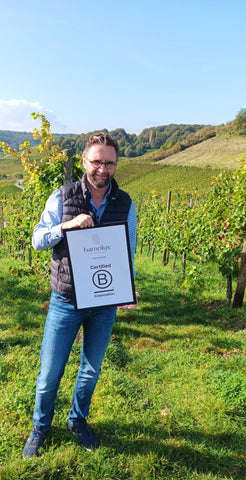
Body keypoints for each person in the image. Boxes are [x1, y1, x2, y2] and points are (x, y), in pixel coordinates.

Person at [23, 133, 138, 459]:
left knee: (91, 370)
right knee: (49, 373)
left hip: (103, 304)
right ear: (84, 161)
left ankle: (77, 420)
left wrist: (127, 287)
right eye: (97, 161)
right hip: (66, 300)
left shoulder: (126, 203)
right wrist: (67, 226)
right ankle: (40, 427)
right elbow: (37, 240)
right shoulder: (62, 197)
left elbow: (126, 251)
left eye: (109, 162)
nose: (103, 168)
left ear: (116, 164)